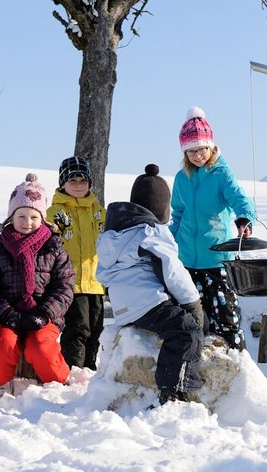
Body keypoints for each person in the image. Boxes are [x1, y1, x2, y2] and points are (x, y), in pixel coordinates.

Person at [96, 164, 205, 406]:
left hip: (124, 306)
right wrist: (192, 303)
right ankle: (174, 390)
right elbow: (173, 271)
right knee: (187, 332)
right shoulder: (150, 232)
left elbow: (102, 274)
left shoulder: (115, 233)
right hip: (147, 302)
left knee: (173, 321)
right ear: (162, 208)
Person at [0, 173, 74, 398]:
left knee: (40, 347)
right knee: (3, 346)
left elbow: (65, 286)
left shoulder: (54, 248)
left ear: (42, 219)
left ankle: (58, 384)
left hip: (44, 318)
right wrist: (5, 313)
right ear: (11, 217)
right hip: (8, 317)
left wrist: (44, 313)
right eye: (21, 216)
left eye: (33, 216)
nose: (27, 222)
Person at [170, 106, 256, 351]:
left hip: (217, 260)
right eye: (192, 151)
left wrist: (244, 219)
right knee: (195, 316)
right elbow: (178, 213)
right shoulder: (181, 178)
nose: (198, 155)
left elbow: (240, 200)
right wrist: (169, 243)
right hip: (187, 259)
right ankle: (201, 360)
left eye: (202, 149)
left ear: (212, 147)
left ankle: (237, 359)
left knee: (225, 313)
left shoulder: (221, 174)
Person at [47, 156, 107, 371]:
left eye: (83, 181)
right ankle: (73, 369)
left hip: (96, 282)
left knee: (96, 327)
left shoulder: (99, 212)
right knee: (78, 328)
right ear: (63, 183)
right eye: (73, 181)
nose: (79, 185)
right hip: (70, 283)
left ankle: (89, 369)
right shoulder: (56, 213)